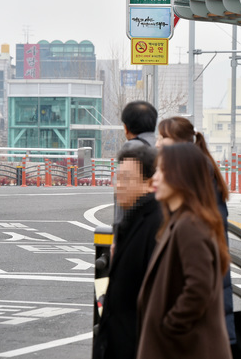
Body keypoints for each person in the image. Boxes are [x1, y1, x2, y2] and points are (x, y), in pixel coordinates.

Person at [137, 143, 232, 359]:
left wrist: (169, 326)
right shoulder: (182, 220)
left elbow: (199, 286)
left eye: (162, 170)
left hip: (187, 348)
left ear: (181, 175)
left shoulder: (190, 224)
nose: (155, 178)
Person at [156, 117, 240, 356]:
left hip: (203, 266)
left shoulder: (195, 171)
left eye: (164, 138)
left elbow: (198, 286)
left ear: (181, 143)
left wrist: (169, 325)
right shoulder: (197, 166)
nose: (158, 143)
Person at [93, 146, 162, 359]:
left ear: (149, 183)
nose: (119, 185)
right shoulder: (132, 218)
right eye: (118, 178)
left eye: (127, 179)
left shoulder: (157, 226)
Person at [113, 101, 158, 230]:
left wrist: (118, 235)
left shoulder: (131, 150)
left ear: (126, 128)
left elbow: (122, 197)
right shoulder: (163, 147)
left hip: (136, 225)